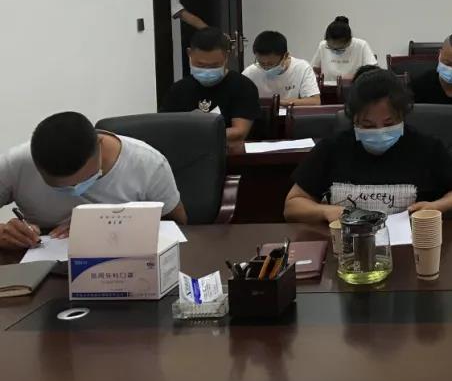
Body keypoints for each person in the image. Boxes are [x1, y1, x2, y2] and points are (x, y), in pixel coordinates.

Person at [284, 69, 452, 222]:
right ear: (354, 120)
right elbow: (292, 205)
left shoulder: (427, 147)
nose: (380, 131)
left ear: (402, 116)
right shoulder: (332, 148)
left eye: (389, 124)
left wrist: (436, 206)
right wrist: (324, 211)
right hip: (349, 245)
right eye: (368, 125)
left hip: (411, 245)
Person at [0, 112, 186, 249]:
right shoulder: (17, 163)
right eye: (60, 188)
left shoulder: (147, 163)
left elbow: (179, 225)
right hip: (42, 260)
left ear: (99, 145)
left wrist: (108, 225)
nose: (74, 190)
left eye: (84, 180)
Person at [160, 26, 260, 143]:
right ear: (189, 53)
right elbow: (163, 127)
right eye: (200, 65)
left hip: (227, 151)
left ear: (226, 56)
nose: (207, 70)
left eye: (214, 65)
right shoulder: (178, 89)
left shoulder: (243, 86)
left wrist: (192, 133)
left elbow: (239, 132)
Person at [242, 30, 321, 107]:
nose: (266, 68)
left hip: (290, 114)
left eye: (271, 64)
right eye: (261, 63)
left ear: (285, 56)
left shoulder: (302, 68)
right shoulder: (249, 73)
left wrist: (278, 103)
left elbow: (315, 101)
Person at [310, 16, 377, 85]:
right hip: (327, 87)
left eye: (341, 48)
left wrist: (356, 78)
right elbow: (314, 69)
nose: (336, 51)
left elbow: (373, 70)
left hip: (354, 87)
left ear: (350, 40)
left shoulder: (361, 45)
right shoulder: (323, 45)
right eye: (331, 48)